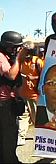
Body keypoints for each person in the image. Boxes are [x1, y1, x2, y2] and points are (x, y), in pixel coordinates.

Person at [0, 31, 28, 163]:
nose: (17, 50)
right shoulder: (1, 57)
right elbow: (10, 75)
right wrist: (18, 59)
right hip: (4, 104)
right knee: (9, 136)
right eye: (16, 47)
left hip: (8, 102)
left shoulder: (6, 56)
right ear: (8, 46)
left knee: (8, 136)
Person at [17, 41, 44, 145]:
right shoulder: (20, 61)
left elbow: (44, 76)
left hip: (34, 95)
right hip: (22, 93)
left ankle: (40, 136)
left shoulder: (37, 62)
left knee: (36, 117)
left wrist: (33, 78)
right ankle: (21, 136)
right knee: (23, 116)